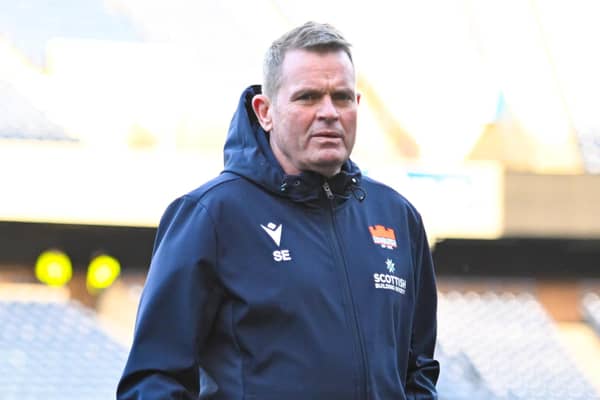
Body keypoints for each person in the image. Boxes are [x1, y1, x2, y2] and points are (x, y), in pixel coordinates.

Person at [117, 21, 439, 400]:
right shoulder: (211, 216)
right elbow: (153, 380)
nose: (329, 113)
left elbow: (417, 371)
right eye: (307, 97)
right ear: (264, 111)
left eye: (341, 97)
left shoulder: (396, 217)